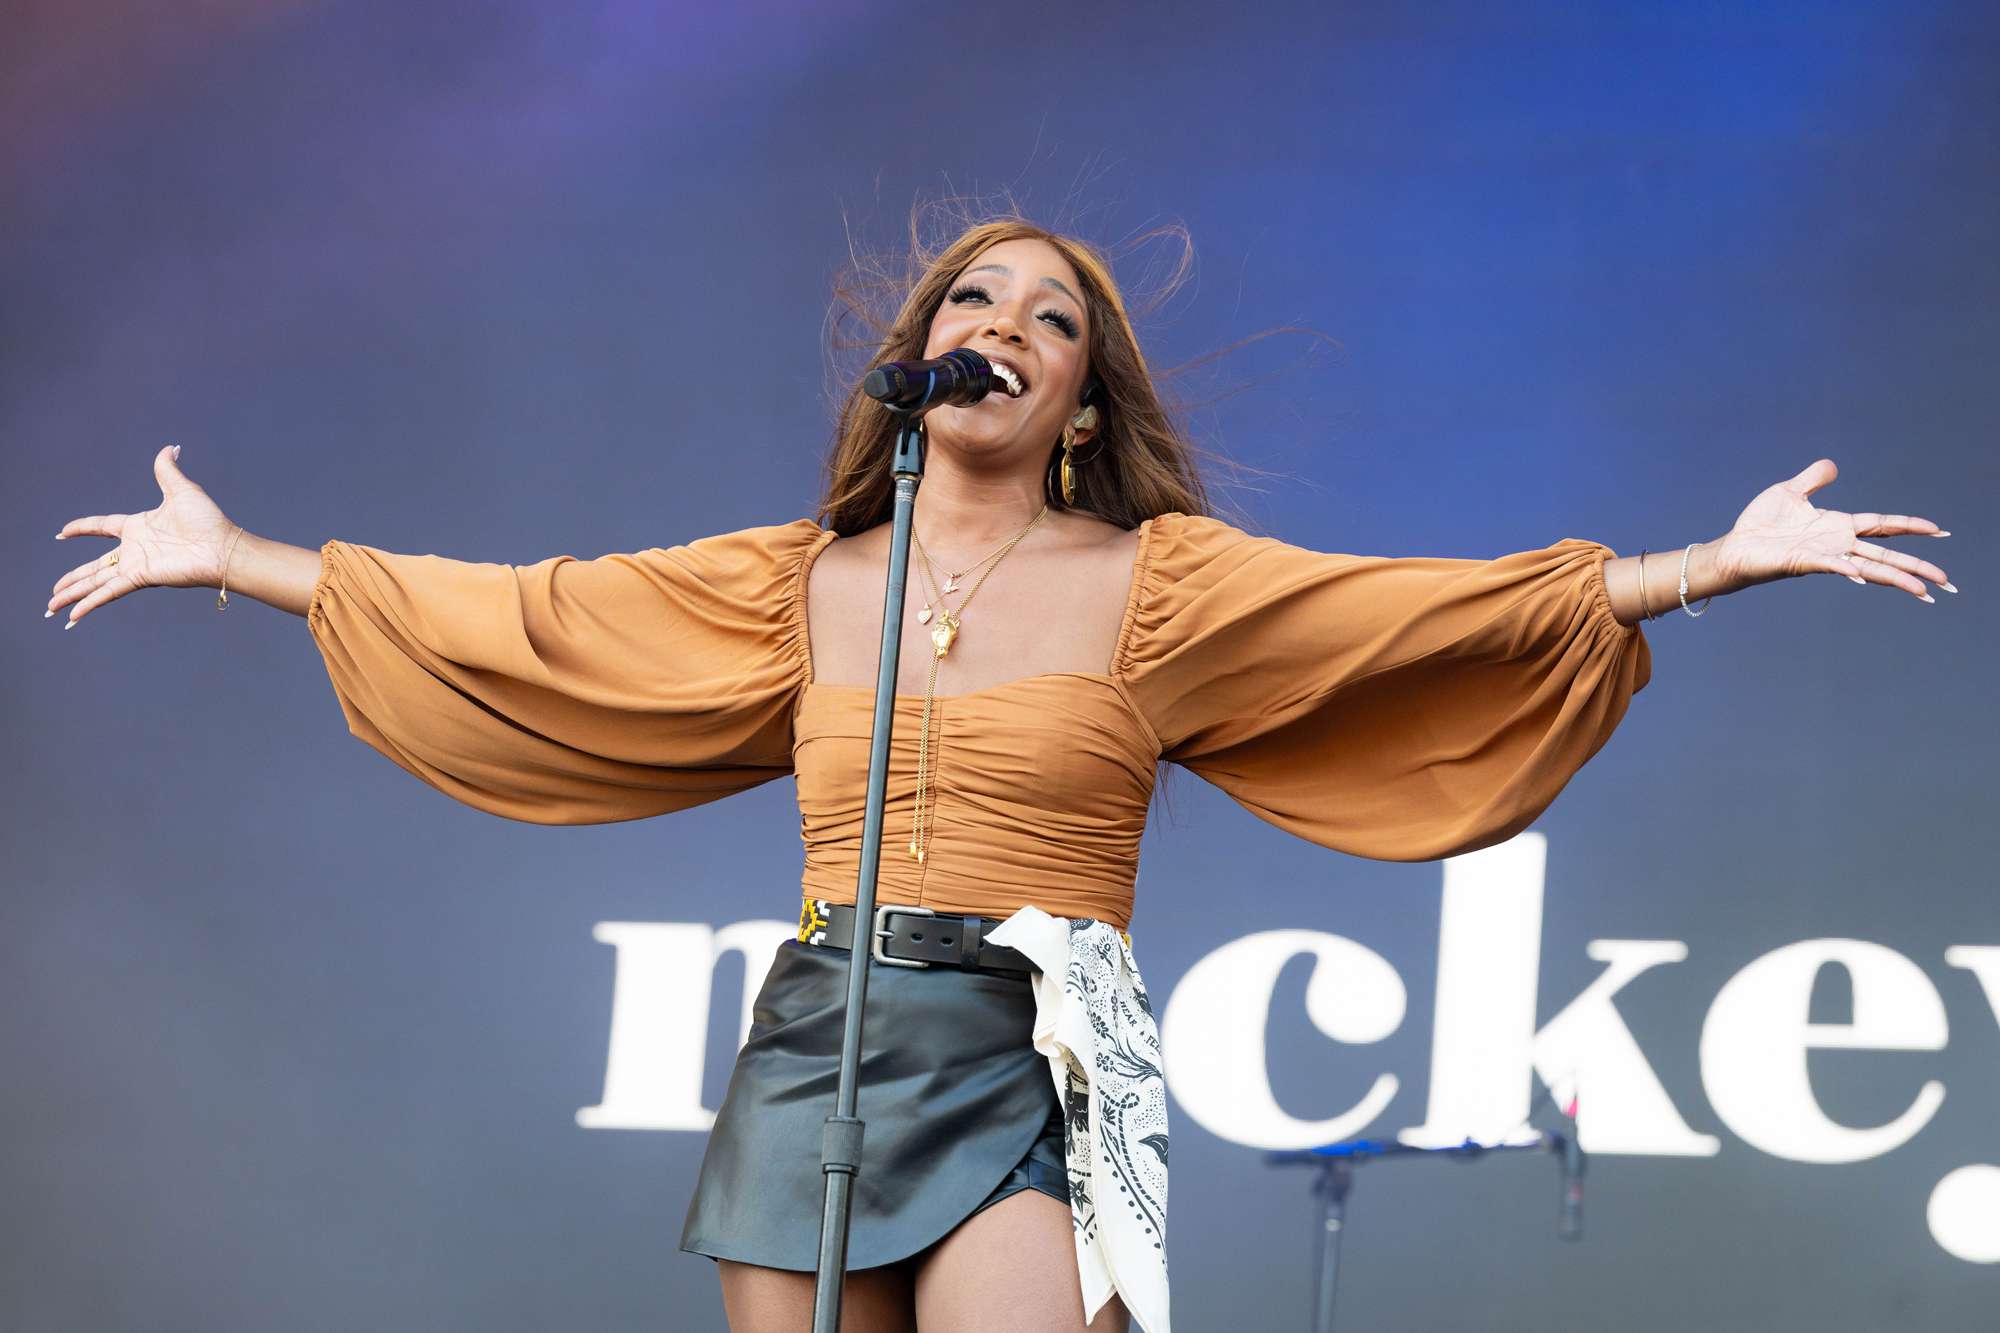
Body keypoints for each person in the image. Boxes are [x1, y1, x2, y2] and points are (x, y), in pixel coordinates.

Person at [44, 217, 1954, 1333]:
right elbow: (535, 617)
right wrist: (242, 562)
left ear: (1086, 402)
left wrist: (1711, 560)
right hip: (822, 1027)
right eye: (976, 306)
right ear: (920, 361)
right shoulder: (801, 580)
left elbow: (1422, 615)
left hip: (1042, 1040)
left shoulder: (1165, 581)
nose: (1007, 331)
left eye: (1055, 320)